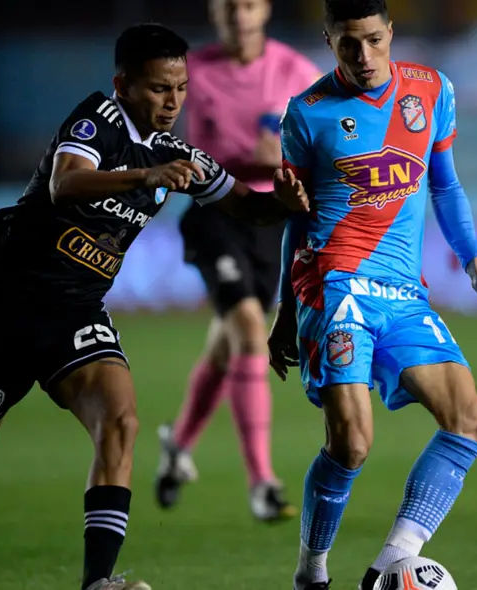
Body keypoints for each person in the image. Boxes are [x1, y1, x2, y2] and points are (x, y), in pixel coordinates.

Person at [0, 23, 307, 590]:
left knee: (121, 421)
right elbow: (66, 184)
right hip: (6, 307)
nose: (172, 101)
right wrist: (147, 175)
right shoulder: (96, 119)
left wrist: (283, 200)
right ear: (123, 85)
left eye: (179, 88)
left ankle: (97, 583)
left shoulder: (178, 152)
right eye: (158, 88)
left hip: (76, 312)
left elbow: (245, 210)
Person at [266, 1, 477, 588]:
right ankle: (312, 572)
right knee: (351, 445)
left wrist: (475, 264)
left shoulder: (430, 90)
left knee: (470, 420)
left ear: (390, 31)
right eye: (349, 44)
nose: (365, 56)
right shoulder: (307, 114)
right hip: (334, 284)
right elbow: (294, 222)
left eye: (375, 40)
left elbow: (445, 184)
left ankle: (386, 565)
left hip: (402, 290)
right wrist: (285, 309)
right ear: (328, 41)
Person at [155, 0, 321, 522]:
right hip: (216, 213)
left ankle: (178, 446)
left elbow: (328, 149)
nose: (238, 15)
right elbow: (157, 140)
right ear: (212, 11)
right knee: (251, 331)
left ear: (266, 9)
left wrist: (287, 162)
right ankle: (262, 483)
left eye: (247, 3)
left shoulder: (296, 72)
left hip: (272, 220)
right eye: (228, 5)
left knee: (230, 341)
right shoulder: (191, 74)